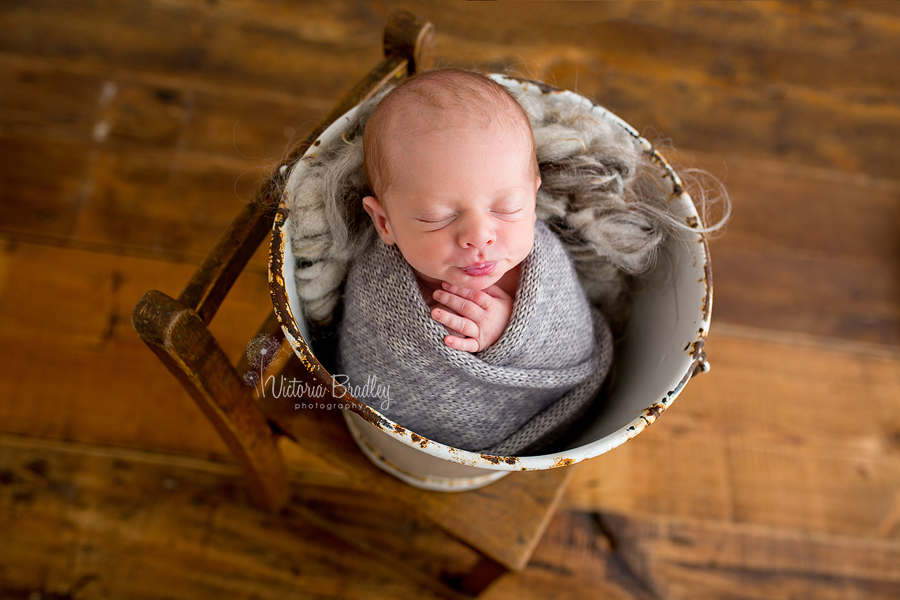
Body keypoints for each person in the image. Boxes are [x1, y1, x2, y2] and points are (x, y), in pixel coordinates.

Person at [337, 68, 612, 455]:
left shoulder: (541, 266)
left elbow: (571, 339)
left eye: (507, 207)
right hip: (411, 445)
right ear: (385, 223)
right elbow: (371, 365)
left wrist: (510, 332)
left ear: (533, 199)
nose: (480, 236)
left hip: (538, 421)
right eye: (439, 216)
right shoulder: (377, 288)